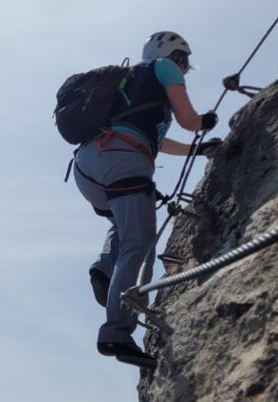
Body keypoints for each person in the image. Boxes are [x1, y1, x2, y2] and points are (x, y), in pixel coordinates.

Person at [72, 31, 221, 369]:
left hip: (88, 165)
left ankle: (104, 269)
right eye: (184, 61)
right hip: (124, 160)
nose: (184, 69)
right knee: (139, 246)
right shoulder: (165, 67)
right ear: (173, 54)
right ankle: (116, 332)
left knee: (123, 227)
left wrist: (196, 151)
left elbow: (157, 139)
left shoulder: (128, 81)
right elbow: (188, 120)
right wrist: (203, 124)